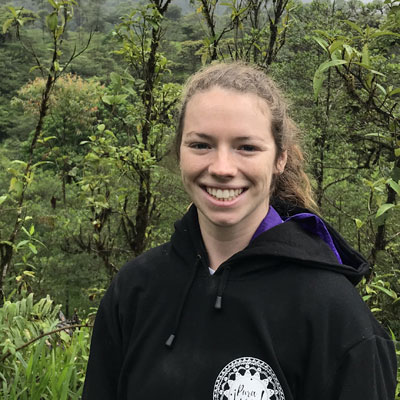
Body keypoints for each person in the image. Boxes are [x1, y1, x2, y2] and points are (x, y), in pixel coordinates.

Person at [82, 62, 397, 399]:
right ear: (179, 152)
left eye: (246, 147)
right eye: (201, 145)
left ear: (279, 159)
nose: (221, 168)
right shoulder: (135, 290)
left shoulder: (334, 314)